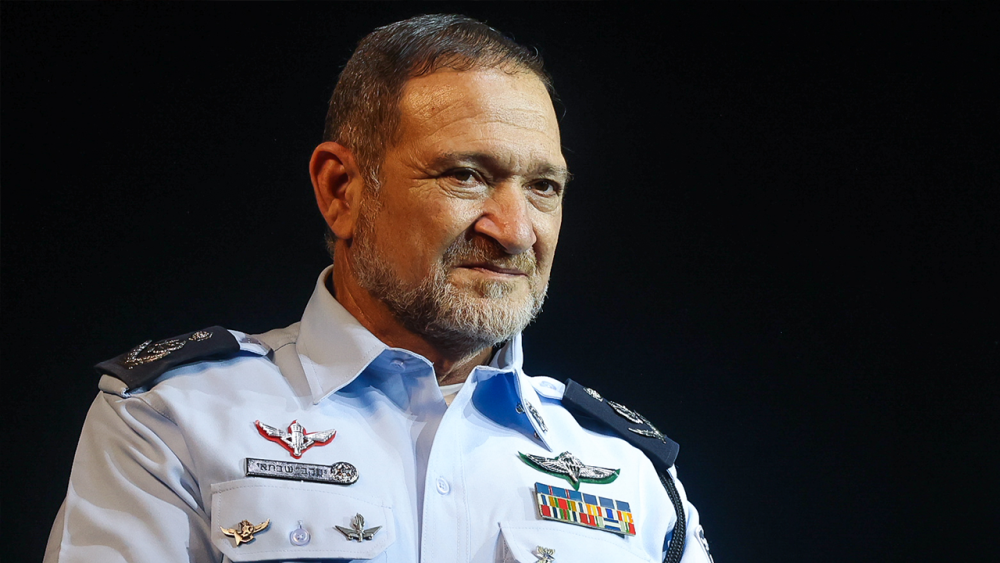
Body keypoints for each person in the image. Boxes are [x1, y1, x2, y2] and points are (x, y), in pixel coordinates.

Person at [44, 14, 712, 563]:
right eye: (466, 175)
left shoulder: (631, 472)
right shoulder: (171, 420)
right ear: (342, 190)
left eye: (543, 186)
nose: (514, 231)